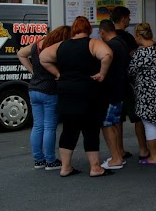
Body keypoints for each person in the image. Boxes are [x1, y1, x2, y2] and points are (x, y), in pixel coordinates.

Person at [40, 16, 114, 178]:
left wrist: (58, 73)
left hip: (66, 91)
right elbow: (107, 54)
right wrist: (102, 73)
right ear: (88, 29)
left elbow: (43, 58)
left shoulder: (61, 45)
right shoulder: (92, 43)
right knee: (91, 129)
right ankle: (95, 168)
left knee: (69, 129)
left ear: (73, 29)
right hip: (88, 92)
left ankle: (65, 167)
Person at [18, 25, 70, 171]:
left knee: (37, 126)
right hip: (49, 90)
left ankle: (38, 160)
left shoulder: (38, 43)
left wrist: (33, 71)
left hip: (33, 88)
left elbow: (21, 53)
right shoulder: (56, 48)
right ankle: (50, 160)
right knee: (49, 127)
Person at [127, 22, 156, 165]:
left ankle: (153, 156)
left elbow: (131, 71)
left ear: (139, 36)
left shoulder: (141, 52)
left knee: (149, 123)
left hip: (147, 91)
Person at [111, 6, 148, 162]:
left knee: (118, 119)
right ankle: (143, 149)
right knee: (137, 117)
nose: (129, 20)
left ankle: (120, 150)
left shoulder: (109, 38)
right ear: (123, 19)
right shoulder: (128, 38)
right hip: (129, 83)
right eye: (128, 18)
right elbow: (135, 58)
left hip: (114, 83)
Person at [97, 20, 130, 170]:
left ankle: (115, 158)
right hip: (119, 89)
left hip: (110, 91)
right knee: (114, 123)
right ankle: (117, 154)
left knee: (107, 124)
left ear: (103, 32)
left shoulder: (110, 46)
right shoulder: (122, 42)